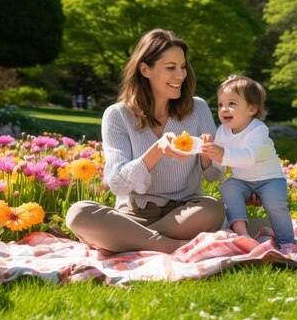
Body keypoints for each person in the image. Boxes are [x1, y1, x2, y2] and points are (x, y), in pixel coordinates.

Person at [65, 29, 225, 254]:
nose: (181, 75)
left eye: (183, 66)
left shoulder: (197, 108)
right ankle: (171, 246)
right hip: (133, 215)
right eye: (171, 68)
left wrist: (209, 158)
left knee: (213, 208)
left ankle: (129, 241)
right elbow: (118, 184)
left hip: (184, 214)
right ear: (145, 69)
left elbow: (215, 175)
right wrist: (156, 150)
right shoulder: (117, 115)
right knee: (78, 214)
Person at [201, 75, 297, 254]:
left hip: (270, 180)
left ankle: (286, 242)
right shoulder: (222, 131)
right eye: (220, 104)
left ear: (251, 109)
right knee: (229, 188)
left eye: (232, 104)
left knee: (276, 206)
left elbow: (249, 157)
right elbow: (219, 168)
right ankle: (243, 235)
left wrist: (222, 154)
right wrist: (207, 153)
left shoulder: (258, 129)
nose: (224, 109)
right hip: (242, 181)